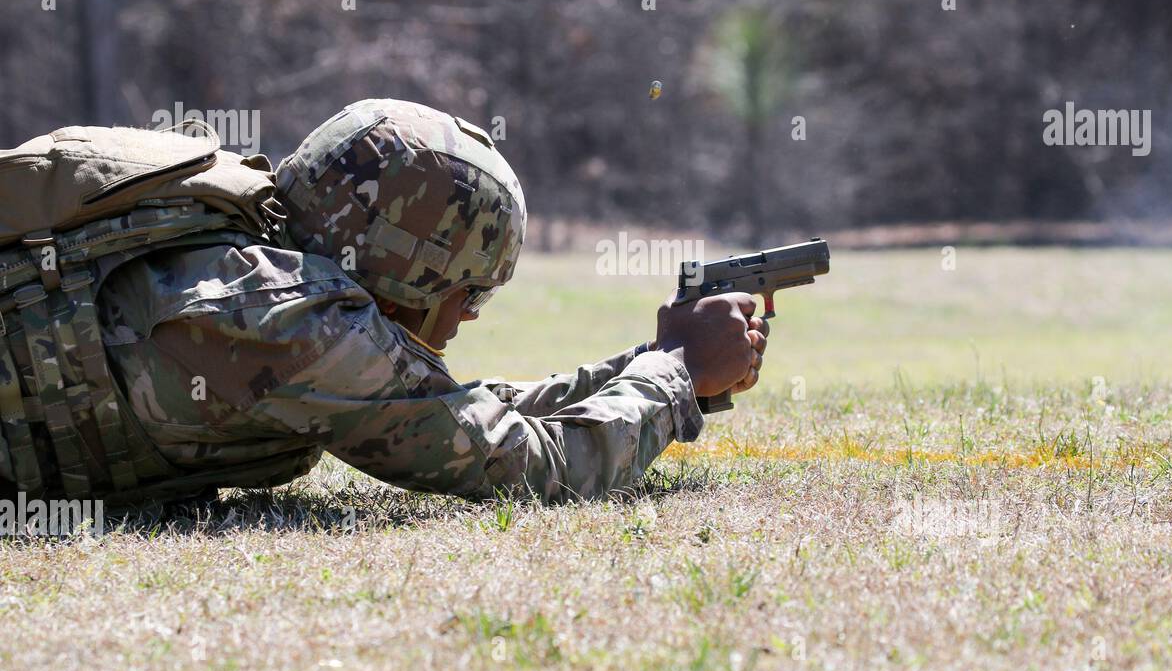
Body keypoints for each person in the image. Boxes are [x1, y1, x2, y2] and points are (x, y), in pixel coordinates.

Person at [90, 98, 767, 505]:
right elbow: (534, 467)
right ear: (407, 276)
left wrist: (650, 359)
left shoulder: (256, 261)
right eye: (470, 293)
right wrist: (678, 373)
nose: (467, 316)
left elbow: (451, 405)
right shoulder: (296, 324)